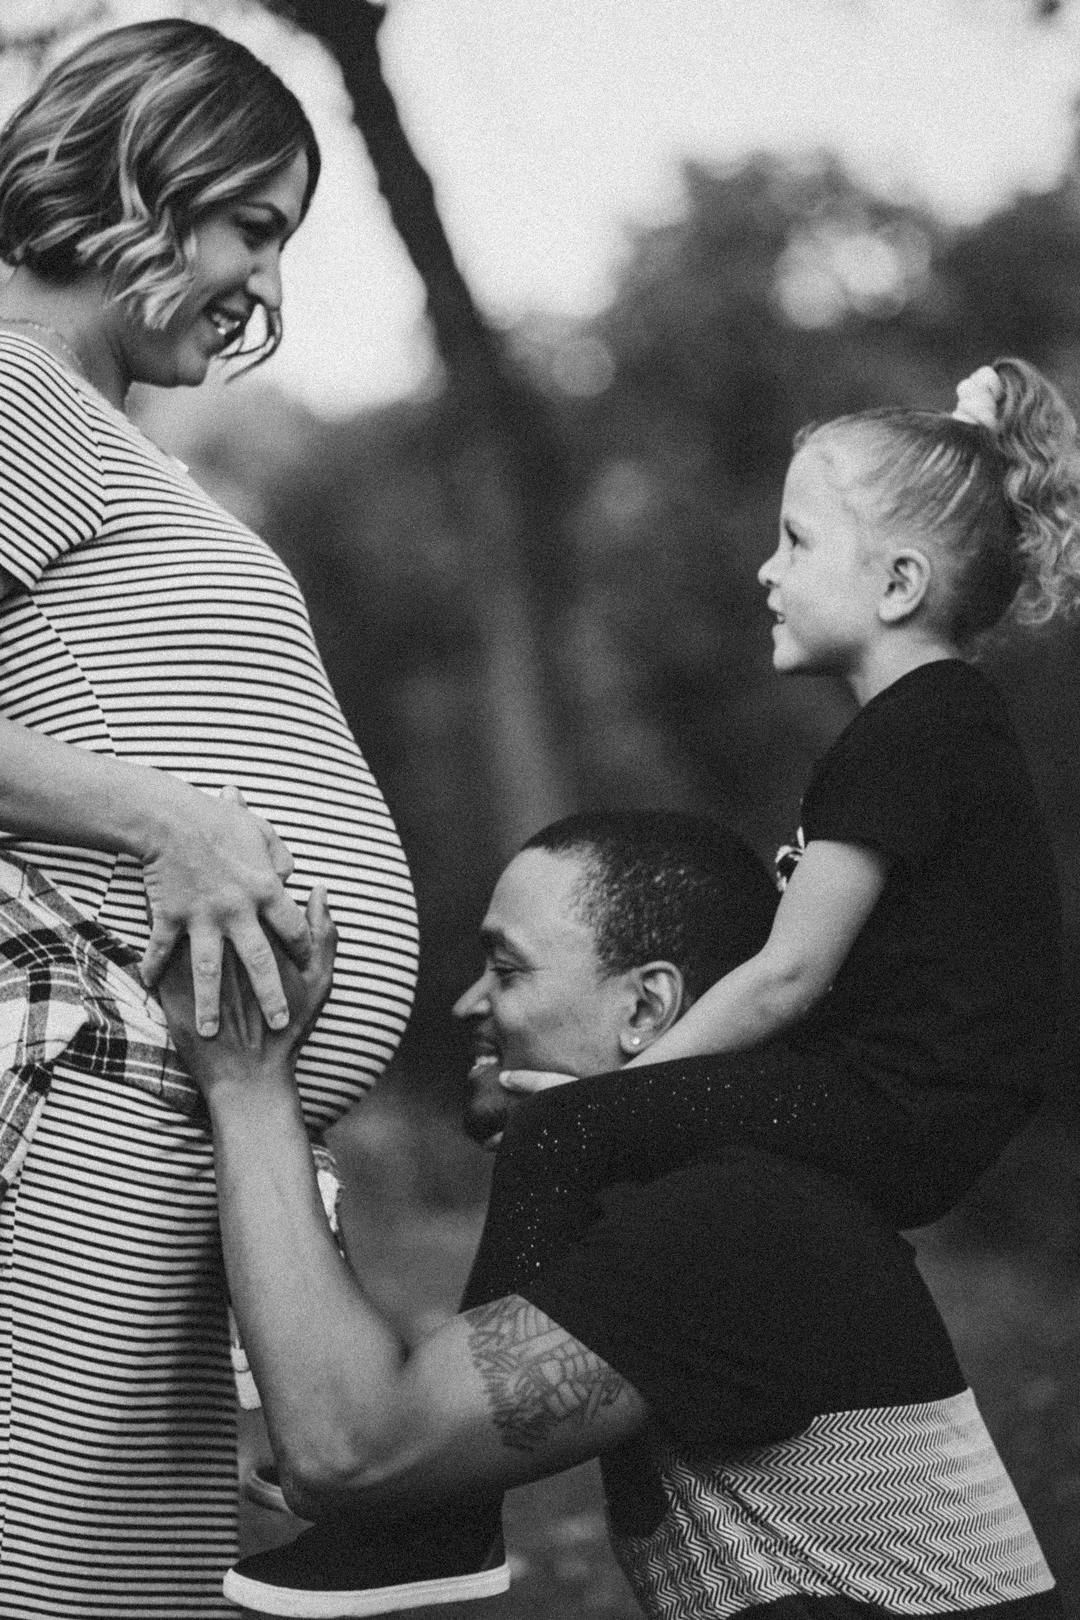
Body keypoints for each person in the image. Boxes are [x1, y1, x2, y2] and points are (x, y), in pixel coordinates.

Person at [159, 810, 1064, 1620]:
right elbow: (377, 1440)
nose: (469, 1003)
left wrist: (245, 1078)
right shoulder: (694, 1197)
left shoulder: (722, 1220)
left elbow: (351, 1447)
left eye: (506, 968)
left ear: (645, 1007)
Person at [0, 21, 418, 1618]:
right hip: (101, 1100)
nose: (263, 284)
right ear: (132, 176)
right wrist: (164, 814)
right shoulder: (24, 395)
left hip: (188, 1120)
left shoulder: (100, 435)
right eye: (251, 222)